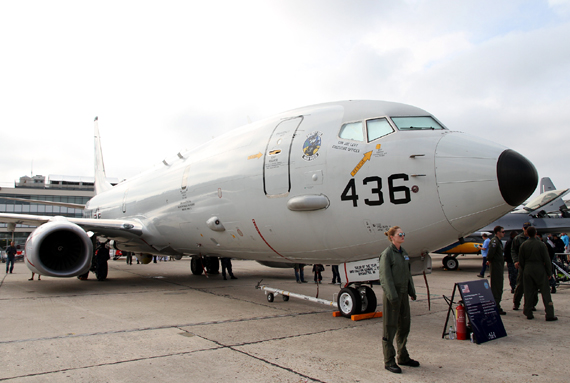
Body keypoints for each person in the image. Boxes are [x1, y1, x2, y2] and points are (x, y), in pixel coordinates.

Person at [378, 226, 419, 374]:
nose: (403, 236)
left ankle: (403, 356)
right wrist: (393, 297)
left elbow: (408, 274)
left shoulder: (404, 253)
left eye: (403, 233)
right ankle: (389, 361)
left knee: (404, 326)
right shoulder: (387, 254)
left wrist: (411, 291)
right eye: (400, 234)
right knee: (390, 327)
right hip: (393, 295)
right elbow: (385, 277)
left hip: (403, 294)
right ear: (392, 237)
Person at [518, 226, 557, 321]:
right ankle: (549, 314)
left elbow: (521, 260)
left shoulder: (524, 245)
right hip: (539, 269)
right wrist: (549, 272)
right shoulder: (541, 244)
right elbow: (547, 260)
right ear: (536, 233)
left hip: (527, 269)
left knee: (528, 292)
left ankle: (528, 312)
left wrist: (524, 270)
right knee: (545, 292)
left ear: (527, 233)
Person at [512, 222, 537, 311]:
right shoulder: (518, 238)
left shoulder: (536, 239)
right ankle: (516, 303)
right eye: (526, 228)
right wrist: (516, 261)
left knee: (533, 286)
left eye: (528, 228)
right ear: (523, 228)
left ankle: (532, 304)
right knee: (520, 285)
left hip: (533, 265)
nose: (527, 230)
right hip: (522, 265)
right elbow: (513, 251)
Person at [486, 226, 506, 314]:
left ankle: (497, 304)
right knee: (496, 286)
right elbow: (491, 253)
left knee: (499, 285)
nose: (504, 233)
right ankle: (495, 306)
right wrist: (489, 260)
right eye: (502, 231)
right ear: (497, 232)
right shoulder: (494, 241)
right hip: (496, 266)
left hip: (498, 266)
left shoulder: (498, 241)